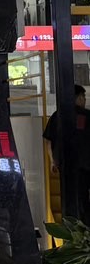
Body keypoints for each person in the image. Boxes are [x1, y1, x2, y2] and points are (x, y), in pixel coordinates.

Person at [43, 83, 90, 224]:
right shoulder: (87, 115)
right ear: (79, 98)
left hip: (65, 166)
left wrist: (53, 161)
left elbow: (48, 141)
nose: (84, 100)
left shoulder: (57, 116)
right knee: (83, 199)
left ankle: (72, 227)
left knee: (68, 197)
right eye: (84, 97)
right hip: (85, 166)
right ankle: (84, 226)